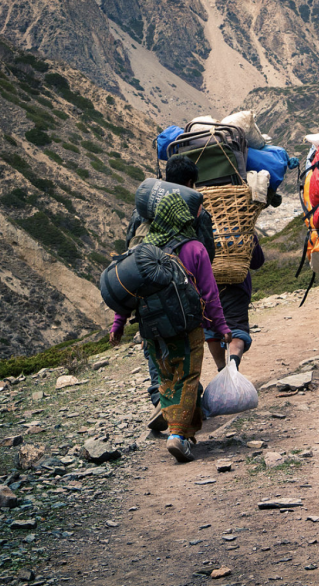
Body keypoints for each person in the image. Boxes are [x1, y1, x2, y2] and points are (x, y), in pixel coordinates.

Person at [110, 192, 231, 463]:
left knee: (167, 379)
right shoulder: (194, 248)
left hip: (152, 330)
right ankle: (176, 435)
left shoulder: (141, 252)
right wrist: (221, 326)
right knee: (188, 377)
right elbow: (210, 294)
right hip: (187, 327)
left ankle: (187, 436)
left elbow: (127, 290)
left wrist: (118, 324)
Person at [123, 156, 215, 432]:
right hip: (183, 298)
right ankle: (178, 415)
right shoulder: (198, 213)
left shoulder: (141, 213)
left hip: (147, 297)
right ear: (190, 183)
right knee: (187, 358)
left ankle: (161, 401)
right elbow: (207, 254)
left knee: (157, 352)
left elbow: (130, 248)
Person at [205, 234, 264, 370]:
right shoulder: (244, 229)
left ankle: (222, 370)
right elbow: (257, 262)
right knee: (236, 326)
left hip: (208, 286)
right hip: (237, 286)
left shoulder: (202, 227)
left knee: (212, 327)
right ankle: (233, 366)